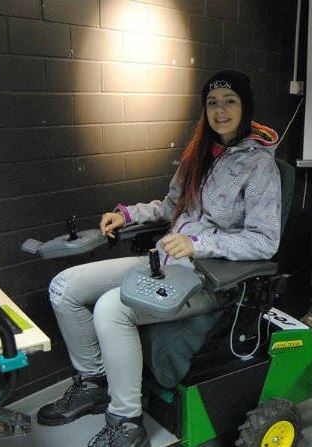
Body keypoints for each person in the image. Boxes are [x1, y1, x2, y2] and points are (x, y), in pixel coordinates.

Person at [36, 70, 281, 447]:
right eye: (212, 103)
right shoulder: (199, 153)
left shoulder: (260, 166)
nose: (220, 111)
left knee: (111, 308)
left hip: (211, 279)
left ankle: (126, 421)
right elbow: (170, 206)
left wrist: (198, 244)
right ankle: (94, 382)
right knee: (64, 287)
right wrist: (128, 214)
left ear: (245, 106)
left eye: (230, 101)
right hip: (166, 262)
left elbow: (264, 241)